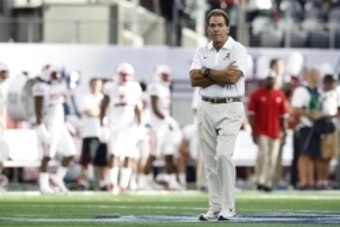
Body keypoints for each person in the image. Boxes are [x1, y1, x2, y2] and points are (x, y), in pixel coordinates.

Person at [189, 9, 248, 221]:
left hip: (230, 106)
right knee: (209, 161)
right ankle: (215, 207)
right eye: (212, 25)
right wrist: (218, 73)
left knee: (223, 155)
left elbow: (232, 77)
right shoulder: (201, 50)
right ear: (208, 28)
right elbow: (193, 80)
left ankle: (229, 207)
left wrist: (206, 71)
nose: (216, 29)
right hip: (206, 106)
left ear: (227, 27)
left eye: (220, 25)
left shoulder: (238, 50)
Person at [32, 64, 77, 194]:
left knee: (70, 152)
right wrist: (40, 125)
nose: (56, 76)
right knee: (48, 155)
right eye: (53, 74)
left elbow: (60, 106)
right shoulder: (40, 87)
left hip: (60, 123)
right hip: (49, 122)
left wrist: (66, 122)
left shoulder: (58, 87)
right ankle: (43, 185)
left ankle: (57, 178)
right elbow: (38, 107)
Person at [100, 62, 142, 193]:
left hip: (129, 123)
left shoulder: (135, 87)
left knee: (129, 154)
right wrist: (102, 123)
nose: (125, 77)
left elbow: (138, 107)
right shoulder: (110, 87)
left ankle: (124, 184)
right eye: (123, 75)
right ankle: (113, 183)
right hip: (115, 122)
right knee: (114, 153)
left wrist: (141, 124)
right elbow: (103, 105)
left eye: (127, 75)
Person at [139, 64, 181, 191]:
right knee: (153, 154)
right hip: (155, 126)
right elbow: (155, 107)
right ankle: (144, 181)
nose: (167, 77)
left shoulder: (165, 88)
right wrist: (168, 119)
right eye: (164, 75)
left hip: (164, 126)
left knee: (169, 154)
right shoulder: (154, 87)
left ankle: (173, 181)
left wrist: (167, 121)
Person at [247, 73, 288, 192]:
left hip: (275, 131)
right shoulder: (256, 95)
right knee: (263, 155)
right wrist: (253, 131)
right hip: (261, 131)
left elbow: (283, 116)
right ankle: (260, 179)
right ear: (264, 80)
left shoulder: (279, 95)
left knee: (273, 157)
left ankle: (269, 182)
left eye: (272, 79)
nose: (270, 81)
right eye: (268, 79)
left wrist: (284, 132)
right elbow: (252, 115)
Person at [291, 67, 321, 190]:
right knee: (304, 154)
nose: (317, 77)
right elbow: (295, 108)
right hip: (304, 126)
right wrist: (310, 115)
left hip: (316, 126)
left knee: (313, 155)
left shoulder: (317, 91)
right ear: (308, 75)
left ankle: (311, 181)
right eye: (314, 74)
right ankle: (303, 181)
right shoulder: (302, 91)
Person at [78, 78, 108, 190]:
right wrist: (101, 112)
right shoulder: (85, 98)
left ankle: (101, 181)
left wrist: (99, 112)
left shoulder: (104, 98)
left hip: (102, 132)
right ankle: (83, 180)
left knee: (102, 160)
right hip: (89, 132)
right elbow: (88, 112)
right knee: (87, 159)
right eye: (94, 85)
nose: (96, 87)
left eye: (99, 85)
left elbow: (106, 112)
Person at [316, 74, 339, 189]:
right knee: (323, 156)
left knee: (329, 156)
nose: (332, 85)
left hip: (332, 127)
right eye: (330, 82)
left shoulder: (336, 94)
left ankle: (324, 180)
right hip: (324, 127)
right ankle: (321, 180)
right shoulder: (320, 95)